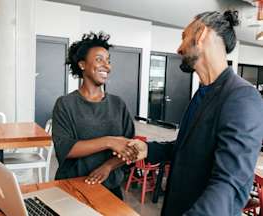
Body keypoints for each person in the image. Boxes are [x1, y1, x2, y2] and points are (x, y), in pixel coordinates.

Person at [125, 10, 263, 215]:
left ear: (201, 35)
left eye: (184, 37)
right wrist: (148, 149)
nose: (179, 48)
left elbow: (228, 184)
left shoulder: (241, 97)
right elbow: (188, 149)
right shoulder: (202, 94)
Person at [52, 32, 144, 200]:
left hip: (111, 189)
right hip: (73, 187)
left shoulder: (118, 104)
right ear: (82, 64)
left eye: (108, 61)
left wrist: (108, 166)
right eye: (99, 59)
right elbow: (66, 149)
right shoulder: (65, 104)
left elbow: (129, 150)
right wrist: (109, 141)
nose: (107, 66)